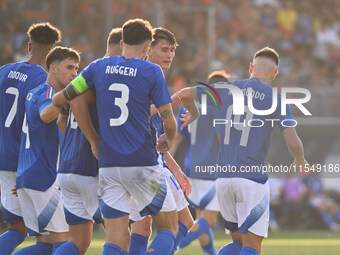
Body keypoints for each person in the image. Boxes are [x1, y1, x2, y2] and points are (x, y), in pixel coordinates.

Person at [52, 18, 179, 255]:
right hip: (142, 163)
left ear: (121, 42)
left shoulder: (98, 67)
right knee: (168, 230)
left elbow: (62, 97)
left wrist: (91, 138)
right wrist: (168, 138)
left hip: (108, 166)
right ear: (147, 47)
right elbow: (169, 120)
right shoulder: (151, 70)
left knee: (115, 238)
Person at [177, 47, 309, 255]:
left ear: (251, 67)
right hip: (251, 180)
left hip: (223, 180)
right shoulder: (275, 98)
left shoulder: (225, 88)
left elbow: (183, 94)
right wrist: (300, 160)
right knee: (252, 247)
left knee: (238, 243)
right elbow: (293, 142)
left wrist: (193, 113)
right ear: (275, 73)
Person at [54, 27, 123, 255]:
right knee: (121, 236)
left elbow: (61, 121)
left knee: (78, 242)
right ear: (123, 44)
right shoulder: (102, 74)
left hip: (67, 168)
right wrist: (93, 141)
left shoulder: (86, 73)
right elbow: (76, 102)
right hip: (88, 170)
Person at [129, 27, 193, 255]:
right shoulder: (147, 74)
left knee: (142, 227)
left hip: (139, 161)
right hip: (146, 164)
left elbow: (159, 140)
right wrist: (169, 103)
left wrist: (176, 170)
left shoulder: (149, 75)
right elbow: (134, 114)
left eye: (172, 50)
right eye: (164, 49)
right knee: (183, 223)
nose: (169, 55)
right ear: (149, 49)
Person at [0, 22, 61, 255]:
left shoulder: (4, 71)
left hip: (3, 158)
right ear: (54, 51)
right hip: (27, 162)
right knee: (51, 239)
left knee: (16, 230)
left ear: (28, 45)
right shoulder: (44, 81)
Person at [13, 46, 80, 255]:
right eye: (69, 68)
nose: (74, 74)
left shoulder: (34, 92)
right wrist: (71, 93)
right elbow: (45, 115)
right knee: (64, 240)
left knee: (45, 245)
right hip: (44, 178)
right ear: (52, 69)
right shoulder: (49, 93)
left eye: (77, 69)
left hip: (30, 176)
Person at [175, 70, 230, 255]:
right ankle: (172, 248)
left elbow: (176, 137)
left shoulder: (189, 104)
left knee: (200, 221)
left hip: (192, 168)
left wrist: (168, 162)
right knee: (208, 221)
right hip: (212, 170)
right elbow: (222, 138)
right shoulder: (218, 105)